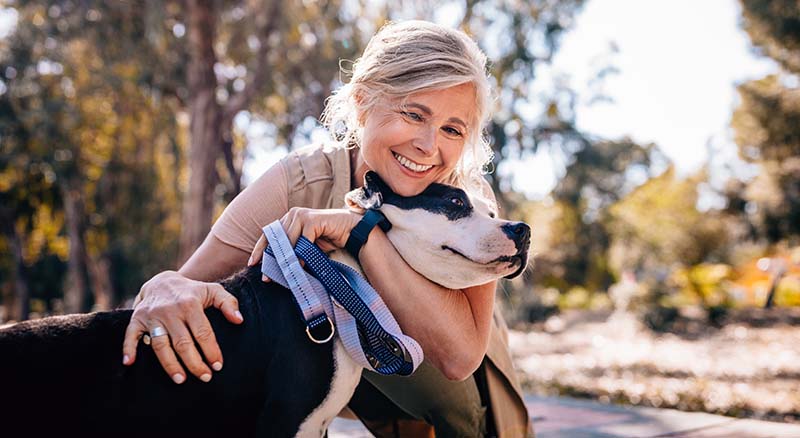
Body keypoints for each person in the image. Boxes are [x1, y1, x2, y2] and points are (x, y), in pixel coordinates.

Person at [122, 20, 532, 437]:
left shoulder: (470, 202)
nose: (428, 146)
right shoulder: (300, 181)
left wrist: (361, 231)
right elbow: (185, 285)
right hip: (323, 368)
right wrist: (162, 288)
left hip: (449, 398)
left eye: (451, 129)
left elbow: (458, 360)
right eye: (413, 114)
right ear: (362, 101)